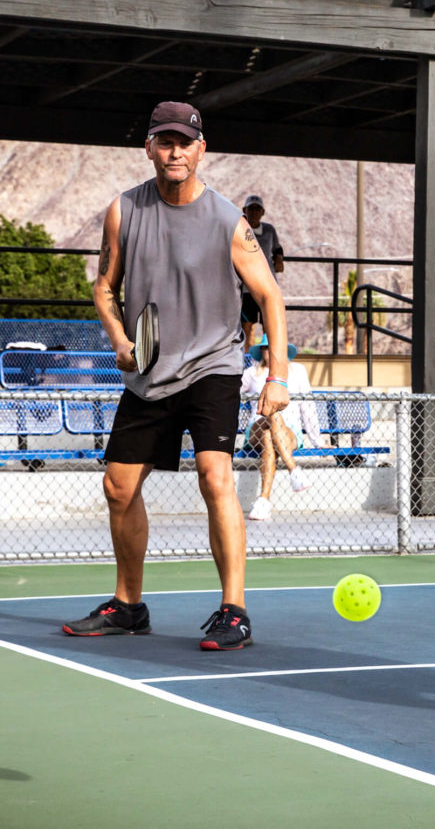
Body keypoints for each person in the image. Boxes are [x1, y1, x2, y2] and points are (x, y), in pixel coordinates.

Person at [62, 100, 290, 651]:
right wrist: (120, 341)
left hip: (213, 365)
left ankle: (233, 611)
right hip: (149, 372)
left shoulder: (227, 220)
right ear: (149, 148)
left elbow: (269, 295)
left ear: (200, 149)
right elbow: (104, 286)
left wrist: (277, 376)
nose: (175, 151)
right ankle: (129, 607)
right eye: (164, 141)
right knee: (118, 487)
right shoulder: (124, 210)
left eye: (184, 142)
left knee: (215, 476)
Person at [241, 338, 322, 521]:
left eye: (275, 347)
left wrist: (318, 442)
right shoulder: (251, 373)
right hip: (256, 427)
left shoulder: (298, 371)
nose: (271, 351)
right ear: (261, 351)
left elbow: (307, 407)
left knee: (269, 436)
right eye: (266, 348)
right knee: (272, 410)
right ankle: (293, 470)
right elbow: (230, 396)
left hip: (289, 430)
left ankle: (263, 500)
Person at [238, 194, 285, 347]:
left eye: (258, 209)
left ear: (263, 212)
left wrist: (279, 260)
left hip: (268, 285)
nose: (254, 212)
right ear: (245, 210)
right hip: (246, 287)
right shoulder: (239, 229)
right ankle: (247, 361)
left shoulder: (269, 230)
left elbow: (277, 249)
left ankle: (267, 358)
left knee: (269, 324)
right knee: (247, 325)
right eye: (251, 208)